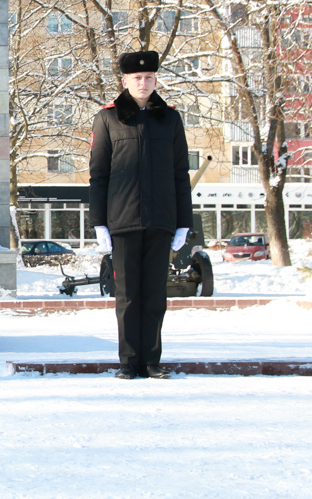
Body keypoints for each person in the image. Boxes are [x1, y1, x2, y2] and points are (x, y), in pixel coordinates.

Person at [89, 51, 193, 380]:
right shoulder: (107, 119)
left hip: (162, 220)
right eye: (137, 78)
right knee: (128, 295)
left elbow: (180, 174)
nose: (143, 83)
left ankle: (152, 361)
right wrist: (99, 222)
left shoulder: (170, 120)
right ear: (125, 82)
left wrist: (183, 222)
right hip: (123, 221)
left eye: (148, 78)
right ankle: (128, 361)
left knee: (155, 295)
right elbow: (98, 174)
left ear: (156, 80)